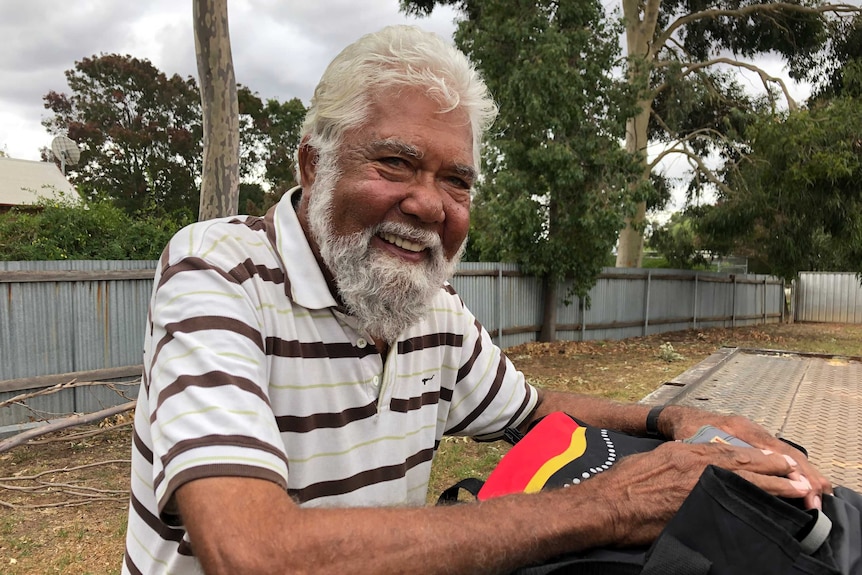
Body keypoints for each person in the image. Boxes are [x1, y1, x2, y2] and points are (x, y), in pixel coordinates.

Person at [122, 25, 831, 575]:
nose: (429, 204)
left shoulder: (430, 309)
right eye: (395, 162)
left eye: (456, 180)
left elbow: (534, 410)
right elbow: (254, 552)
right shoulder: (217, 270)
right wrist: (612, 505)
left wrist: (673, 415)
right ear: (314, 164)